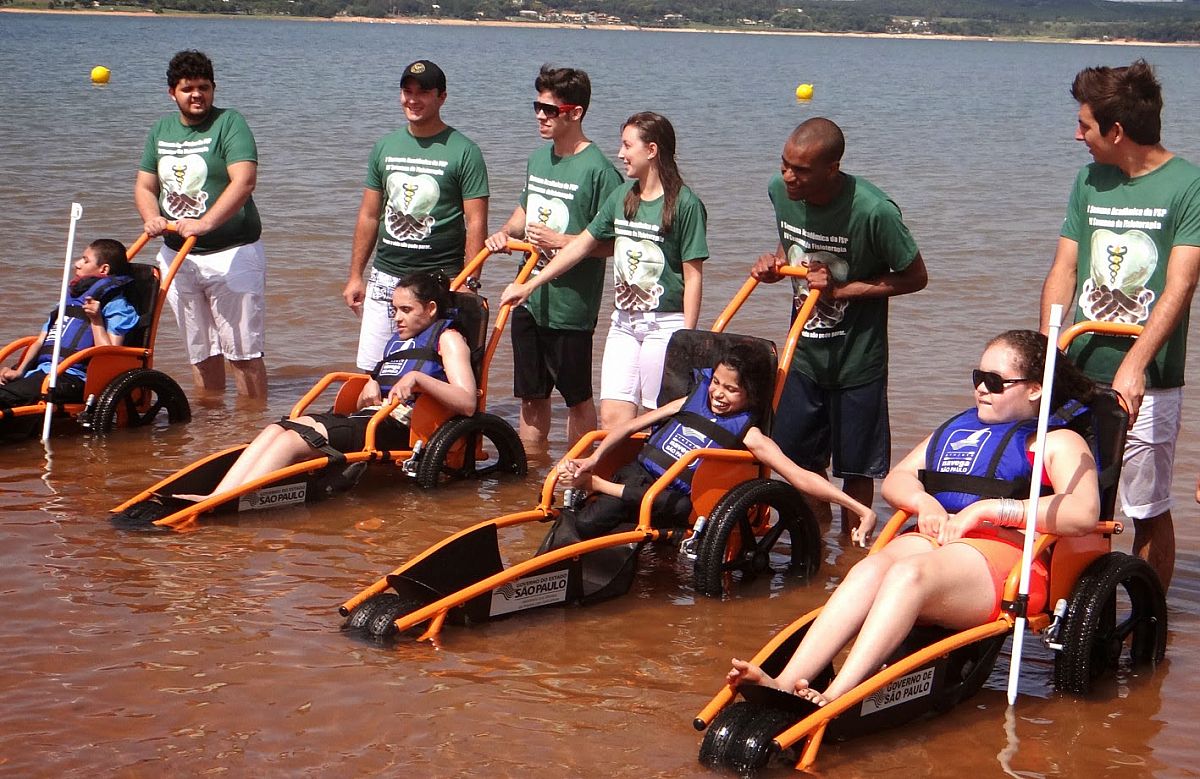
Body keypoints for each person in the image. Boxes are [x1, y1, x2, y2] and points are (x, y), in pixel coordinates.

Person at [727, 330, 1100, 706]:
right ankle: (786, 680)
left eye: (994, 382)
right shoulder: (957, 429)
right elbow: (898, 479)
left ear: (1034, 389)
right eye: (977, 378)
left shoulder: (1057, 441)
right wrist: (925, 503)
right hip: (941, 539)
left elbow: (1084, 512)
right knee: (870, 570)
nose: (980, 390)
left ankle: (839, 695)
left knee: (908, 576)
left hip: (1006, 557)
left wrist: (993, 509)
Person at [1039, 59, 1200, 591]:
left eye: (1085, 125)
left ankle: (1147, 628)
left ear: (1116, 131)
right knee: (1073, 497)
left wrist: (1134, 365)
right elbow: (1064, 268)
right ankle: (1082, 614)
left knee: (1146, 506)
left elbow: (1180, 285)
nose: (1077, 134)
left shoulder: (1189, 185)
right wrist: (1046, 354)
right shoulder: (1089, 179)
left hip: (1149, 380)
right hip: (1079, 367)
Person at [751, 117, 928, 540]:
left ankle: (854, 554)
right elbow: (793, 240)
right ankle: (812, 552)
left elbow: (915, 277)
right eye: (784, 165)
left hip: (857, 362)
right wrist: (777, 266)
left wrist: (844, 289)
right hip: (803, 356)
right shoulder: (781, 192)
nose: (788, 177)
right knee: (794, 460)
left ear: (832, 168)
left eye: (801, 170)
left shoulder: (873, 210)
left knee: (856, 469)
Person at [177, 272, 476, 500]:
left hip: (405, 428)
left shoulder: (448, 339)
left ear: (432, 309)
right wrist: (370, 385)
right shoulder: (399, 342)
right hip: (372, 418)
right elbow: (371, 393)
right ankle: (219, 494)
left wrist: (419, 379)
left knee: (294, 442)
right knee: (277, 429)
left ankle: (229, 500)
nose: (396, 317)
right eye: (394, 309)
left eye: (406, 310)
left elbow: (467, 402)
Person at [501, 112, 708, 430]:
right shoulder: (622, 196)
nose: (620, 153)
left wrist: (687, 339)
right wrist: (529, 285)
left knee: (658, 418)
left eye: (627, 146)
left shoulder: (685, 204)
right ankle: (599, 479)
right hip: (623, 322)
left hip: (664, 324)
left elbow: (693, 276)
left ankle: (653, 479)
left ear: (651, 150)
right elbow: (580, 246)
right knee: (612, 419)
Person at [555, 348, 876, 542]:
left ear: (750, 396)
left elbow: (799, 476)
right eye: (717, 384)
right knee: (587, 520)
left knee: (647, 505)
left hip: (677, 501)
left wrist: (858, 508)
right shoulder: (692, 400)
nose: (719, 394)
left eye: (731, 390)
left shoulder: (749, 434)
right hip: (637, 476)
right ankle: (588, 497)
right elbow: (631, 425)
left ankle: (594, 487)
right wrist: (594, 458)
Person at [484, 65, 623, 449]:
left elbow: (616, 242)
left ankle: (575, 472)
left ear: (574, 113)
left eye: (550, 109)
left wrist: (562, 240)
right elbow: (524, 213)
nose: (540, 116)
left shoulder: (600, 171)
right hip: (527, 294)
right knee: (532, 395)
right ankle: (531, 473)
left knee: (576, 397)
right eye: (537, 107)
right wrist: (503, 233)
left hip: (571, 305)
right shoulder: (539, 159)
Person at [134, 49, 268, 399]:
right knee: (201, 350)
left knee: (243, 352)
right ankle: (211, 427)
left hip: (232, 253)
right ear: (172, 92)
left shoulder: (229, 122)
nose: (197, 95)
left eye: (204, 87)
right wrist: (152, 218)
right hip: (177, 255)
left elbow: (244, 181)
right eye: (188, 88)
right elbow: (145, 185)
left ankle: (250, 428)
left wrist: (205, 223)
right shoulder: (160, 129)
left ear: (213, 88)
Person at [344, 60, 489, 373]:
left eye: (423, 92)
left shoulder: (464, 151)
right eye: (407, 91)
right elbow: (369, 215)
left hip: (438, 282)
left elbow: (475, 222)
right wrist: (356, 275)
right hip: (385, 278)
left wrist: (469, 282)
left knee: (434, 371)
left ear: (442, 97)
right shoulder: (385, 147)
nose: (412, 99)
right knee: (373, 372)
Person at [1, 239, 138, 410]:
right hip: (41, 372)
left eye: (85, 260)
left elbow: (110, 355)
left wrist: (96, 320)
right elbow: (39, 341)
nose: (77, 264)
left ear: (104, 269)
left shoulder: (116, 306)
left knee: (5, 397)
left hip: (74, 378)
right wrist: (19, 371)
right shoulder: (69, 300)